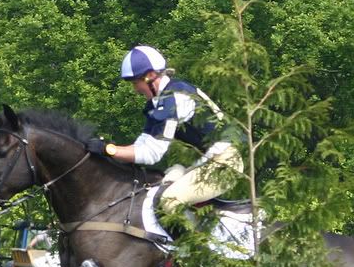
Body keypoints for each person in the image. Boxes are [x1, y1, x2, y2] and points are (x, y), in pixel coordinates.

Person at [87, 45, 243, 220]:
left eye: (135, 83)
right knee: (153, 189)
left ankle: (196, 247)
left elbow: (152, 154)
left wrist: (109, 150)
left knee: (170, 201)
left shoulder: (173, 100)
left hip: (223, 164)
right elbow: (142, 144)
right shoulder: (162, 100)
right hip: (205, 163)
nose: (135, 89)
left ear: (150, 76)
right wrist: (110, 151)